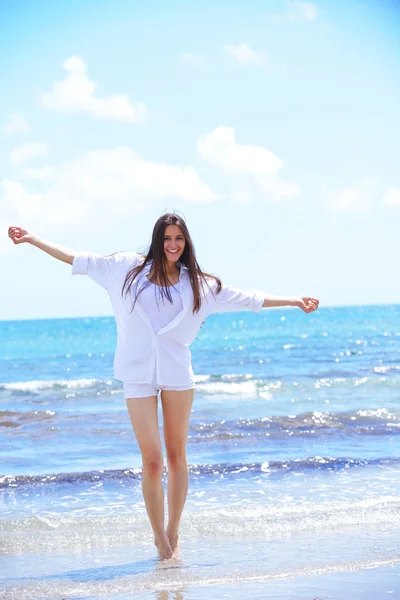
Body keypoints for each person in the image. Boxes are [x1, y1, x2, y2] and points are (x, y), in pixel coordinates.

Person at [8, 213, 319, 560]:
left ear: (186, 244)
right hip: (136, 373)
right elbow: (77, 258)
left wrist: (293, 300)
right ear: (158, 240)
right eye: (168, 238)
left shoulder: (199, 284)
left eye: (179, 239)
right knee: (152, 462)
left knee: (176, 456)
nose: (173, 245)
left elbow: (248, 299)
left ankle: (174, 530)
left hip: (176, 374)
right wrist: (33, 239)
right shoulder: (125, 268)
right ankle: (159, 537)